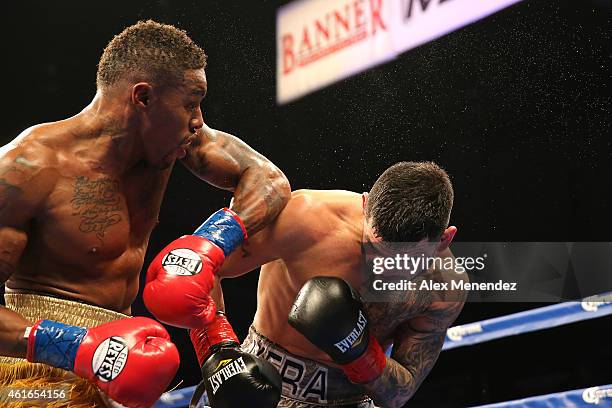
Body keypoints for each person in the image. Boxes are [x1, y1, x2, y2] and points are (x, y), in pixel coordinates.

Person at [0, 20, 290, 408]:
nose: (199, 120)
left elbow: (269, 181)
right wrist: (74, 347)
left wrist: (209, 245)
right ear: (143, 98)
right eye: (190, 103)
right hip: (34, 372)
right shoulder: (28, 167)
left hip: (124, 353)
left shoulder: (174, 144)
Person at [161, 161, 468, 407]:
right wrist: (219, 353)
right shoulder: (305, 218)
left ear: (444, 240)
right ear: (365, 206)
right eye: (372, 248)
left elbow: (400, 393)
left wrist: (359, 351)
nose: (381, 269)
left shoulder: (444, 288)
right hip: (257, 384)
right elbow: (199, 268)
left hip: (351, 399)